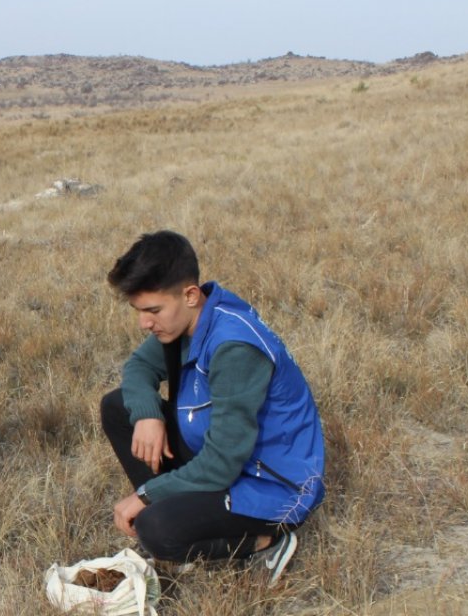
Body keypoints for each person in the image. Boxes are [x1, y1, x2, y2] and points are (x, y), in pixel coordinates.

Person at [99, 231, 325, 587]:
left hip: (268, 484)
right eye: (139, 311)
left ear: (190, 294)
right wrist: (147, 415)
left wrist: (146, 496)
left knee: (156, 530)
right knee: (118, 407)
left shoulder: (234, 347)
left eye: (152, 310)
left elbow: (221, 466)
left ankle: (265, 543)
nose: (144, 323)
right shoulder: (185, 322)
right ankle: (183, 520)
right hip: (225, 456)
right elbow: (138, 369)